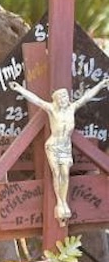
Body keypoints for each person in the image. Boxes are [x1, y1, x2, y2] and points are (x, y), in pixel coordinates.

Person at [11, 76, 109, 223]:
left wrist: (101, 85)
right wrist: (19, 89)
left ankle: (63, 202)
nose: (63, 99)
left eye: (65, 96)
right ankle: (60, 203)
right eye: (61, 97)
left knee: (65, 174)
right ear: (56, 100)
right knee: (56, 173)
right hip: (54, 145)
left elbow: (87, 97)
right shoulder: (51, 109)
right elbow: (36, 100)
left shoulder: (72, 108)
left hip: (65, 145)